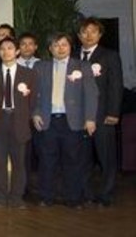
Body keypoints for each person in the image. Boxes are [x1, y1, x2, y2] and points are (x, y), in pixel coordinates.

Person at [33, 33, 98, 208]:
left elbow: (92, 94)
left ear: (70, 47)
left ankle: (73, 198)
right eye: (56, 45)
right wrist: (36, 113)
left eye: (64, 45)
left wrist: (90, 118)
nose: (60, 48)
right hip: (48, 120)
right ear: (50, 48)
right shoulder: (40, 66)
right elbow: (34, 94)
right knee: (47, 161)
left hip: (73, 121)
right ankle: (46, 197)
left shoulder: (82, 66)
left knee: (73, 161)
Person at [0, 38, 36, 209]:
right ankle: (0, 196)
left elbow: (33, 100)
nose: (6, 52)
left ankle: (16, 197)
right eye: (2, 49)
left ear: (17, 51)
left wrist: (30, 118)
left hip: (19, 121)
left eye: (10, 48)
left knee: (19, 162)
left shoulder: (28, 74)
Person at [76, 19, 122, 207]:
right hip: (77, 116)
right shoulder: (72, 56)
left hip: (103, 115)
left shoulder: (109, 55)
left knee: (106, 157)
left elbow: (116, 85)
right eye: (84, 32)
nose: (88, 35)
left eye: (93, 32)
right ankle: (86, 193)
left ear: (100, 35)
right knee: (83, 157)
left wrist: (113, 112)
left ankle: (106, 194)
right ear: (79, 35)